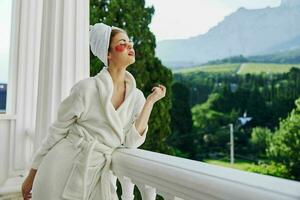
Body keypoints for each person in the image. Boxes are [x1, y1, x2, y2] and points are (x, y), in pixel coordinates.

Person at [21, 22, 166, 200]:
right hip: (60, 167)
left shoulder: (136, 98)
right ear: (108, 53)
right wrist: (31, 176)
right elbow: (56, 133)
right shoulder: (86, 88)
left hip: (98, 173)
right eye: (123, 43)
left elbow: (131, 142)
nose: (130, 46)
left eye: (130, 43)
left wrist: (150, 102)